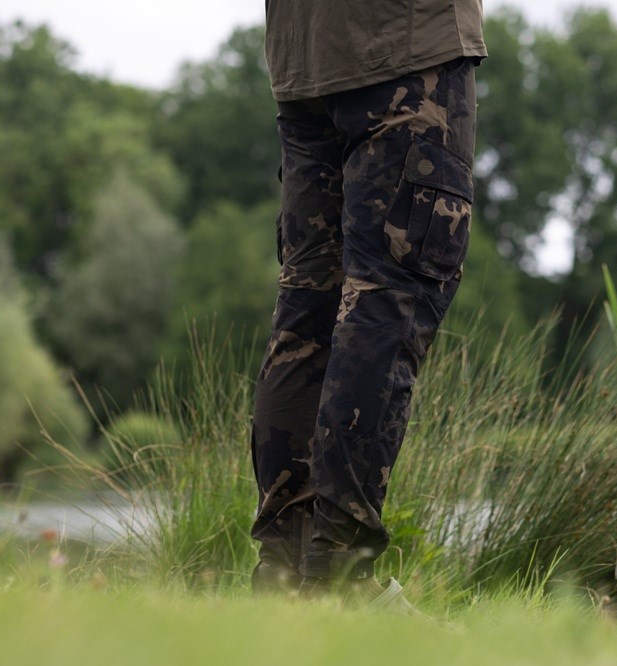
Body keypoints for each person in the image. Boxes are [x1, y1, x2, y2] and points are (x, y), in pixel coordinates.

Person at [249, 0, 488, 602]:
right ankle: (338, 583)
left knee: (308, 311)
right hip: (406, 43)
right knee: (387, 301)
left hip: (303, 58)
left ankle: (283, 578)